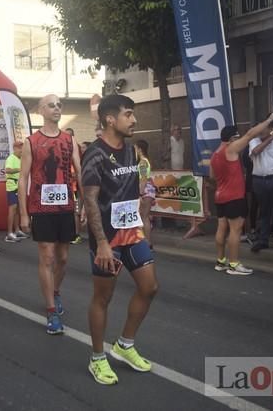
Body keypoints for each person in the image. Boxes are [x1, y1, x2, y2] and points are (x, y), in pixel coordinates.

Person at [82, 94, 158, 386]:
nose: (134, 120)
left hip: (131, 232)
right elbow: (90, 200)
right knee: (104, 297)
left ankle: (125, 345)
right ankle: (97, 358)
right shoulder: (96, 154)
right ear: (110, 119)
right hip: (107, 240)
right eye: (128, 114)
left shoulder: (131, 151)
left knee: (149, 287)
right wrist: (101, 242)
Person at [18, 94, 84, 335]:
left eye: (59, 105)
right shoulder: (31, 141)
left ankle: (55, 292)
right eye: (51, 105)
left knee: (63, 258)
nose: (56, 108)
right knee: (47, 256)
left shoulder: (69, 140)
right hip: (41, 207)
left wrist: (84, 206)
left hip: (65, 206)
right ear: (41, 111)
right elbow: (23, 178)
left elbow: (80, 173)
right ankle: (51, 311)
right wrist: (24, 214)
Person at [212, 113, 273, 276]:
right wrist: (270, 120)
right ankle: (234, 264)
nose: (239, 139)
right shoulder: (231, 148)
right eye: (237, 137)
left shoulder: (215, 154)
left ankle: (221, 261)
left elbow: (211, 177)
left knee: (222, 228)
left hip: (220, 196)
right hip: (234, 196)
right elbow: (250, 134)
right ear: (231, 138)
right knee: (235, 230)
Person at [249, 118, 273, 254]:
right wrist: (270, 139)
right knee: (264, 211)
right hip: (259, 180)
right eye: (258, 129)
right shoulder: (254, 141)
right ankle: (263, 240)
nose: (260, 132)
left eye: (263, 128)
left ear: (269, 128)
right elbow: (255, 152)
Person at [4, 141, 28, 243]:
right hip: (12, 186)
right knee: (12, 209)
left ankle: (17, 230)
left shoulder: (21, 159)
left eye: (22, 149)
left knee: (18, 209)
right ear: (15, 148)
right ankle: (9, 233)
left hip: (19, 186)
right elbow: (8, 170)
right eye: (19, 149)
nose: (21, 151)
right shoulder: (11, 158)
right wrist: (19, 169)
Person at [135, 140, 156, 251]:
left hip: (145, 190)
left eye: (135, 148)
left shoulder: (142, 162)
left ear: (139, 149)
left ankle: (146, 242)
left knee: (143, 217)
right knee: (145, 217)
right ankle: (147, 242)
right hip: (149, 190)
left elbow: (143, 178)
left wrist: (140, 193)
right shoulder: (146, 161)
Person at [65, 128, 83, 245]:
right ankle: (69, 232)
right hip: (66, 189)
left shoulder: (76, 149)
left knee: (76, 212)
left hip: (75, 189)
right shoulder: (63, 148)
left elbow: (78, 172)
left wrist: (73, 176)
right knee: (68, 212)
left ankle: (77, 234)